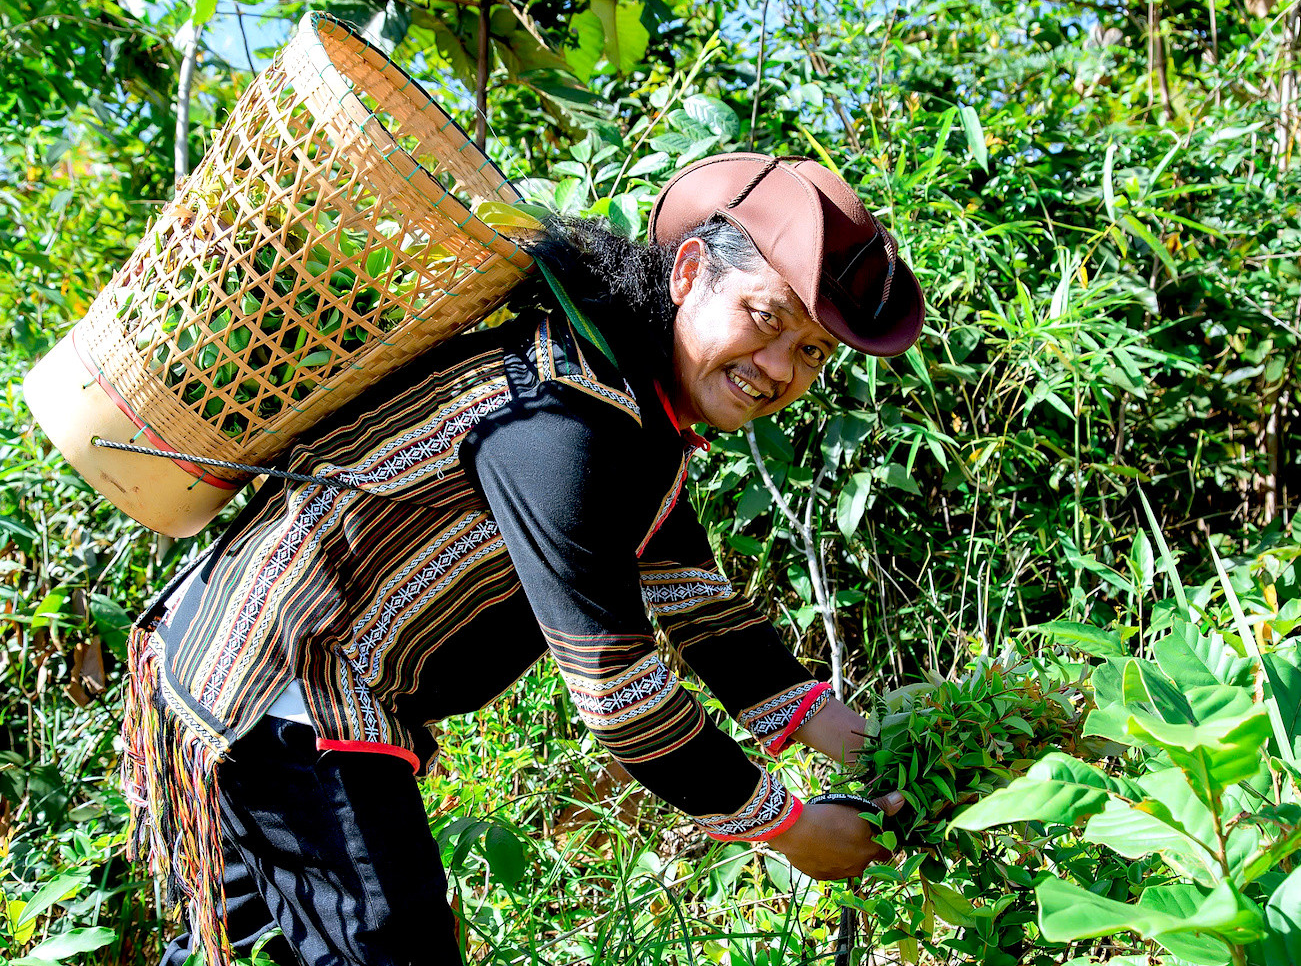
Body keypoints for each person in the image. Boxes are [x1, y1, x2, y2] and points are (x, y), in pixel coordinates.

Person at [121, 152, 925, 966]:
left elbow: (702, 610)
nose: (781, 368)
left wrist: (883, 745)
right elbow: (618, 691)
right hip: (287, 680)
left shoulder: (638, 413)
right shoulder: (565, 417)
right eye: (764, 316)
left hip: (241, 665)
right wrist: (788, 829)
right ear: (689, 271)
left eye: (814, 351)